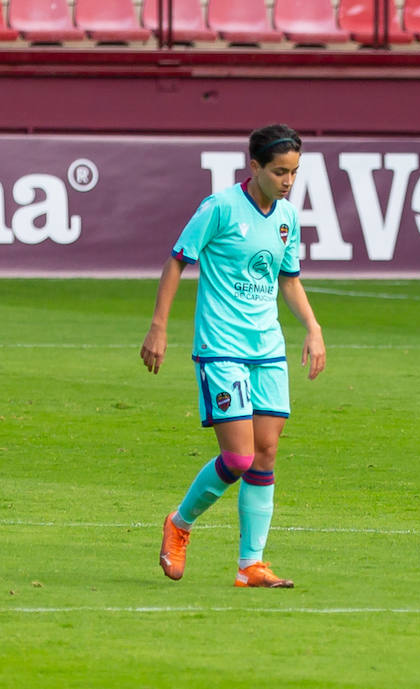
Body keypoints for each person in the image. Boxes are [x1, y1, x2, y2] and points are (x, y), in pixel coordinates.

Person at [142, 124, 326, 588]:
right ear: (255, 166)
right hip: (222, 347)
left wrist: (313, 328)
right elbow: (177, 260)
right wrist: (159, 327)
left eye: (294, 172)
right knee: (239, 458)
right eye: (279, 172)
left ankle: (251, 566)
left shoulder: (287, 217)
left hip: (268, 349)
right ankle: (179, 523)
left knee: (266, 454)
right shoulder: (220, 207)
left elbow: (288, 278)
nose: (288, 181)